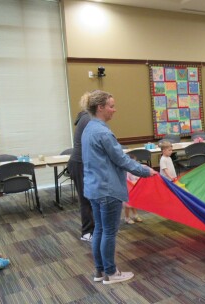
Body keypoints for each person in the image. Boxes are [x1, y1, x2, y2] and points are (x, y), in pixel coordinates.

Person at [82, 90, 157, 285]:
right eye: (111, 106)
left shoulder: (88, 128)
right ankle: (111, 273)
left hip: (94, 187)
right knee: (108, 232)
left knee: (99, 229)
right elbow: (121, 159)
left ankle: (100, 271)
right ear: (100, 108)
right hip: (107, 189)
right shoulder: (103, 132)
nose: (114, 110)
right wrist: (144, 171)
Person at [67, 92, 94, 242]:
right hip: (79, 163)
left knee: (89, 198)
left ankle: (92, 229)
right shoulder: (88, 119)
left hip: (80, 163)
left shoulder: (85, 117)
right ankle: (87, 232)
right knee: (86, 199)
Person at [124, 155, 145, 225]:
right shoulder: (126, 171)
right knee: (127, 205)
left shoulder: (135, 170)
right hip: (128, 190)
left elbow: (138, 177)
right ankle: (127, 217)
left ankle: (135, 215)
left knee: (134, 203)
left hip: (134, 189)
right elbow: (126, 180)